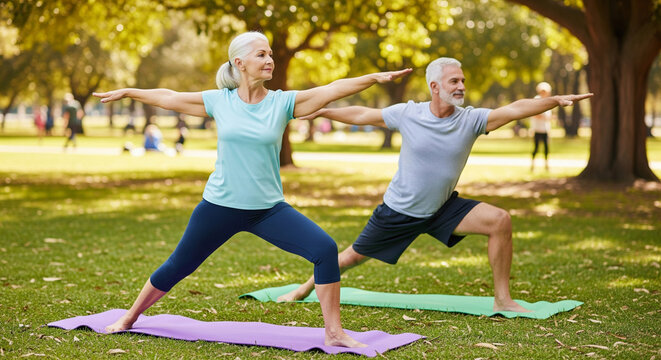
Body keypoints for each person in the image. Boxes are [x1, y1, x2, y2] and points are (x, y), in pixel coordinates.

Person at [93, 31, 411, 348]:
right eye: (261, 55)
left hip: (267, 210)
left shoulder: (283, 103)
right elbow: (169, 97)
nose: (269, 60)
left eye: (270, 54)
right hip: (219, 207)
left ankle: (334, 332)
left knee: (324, 249)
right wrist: (130, 92)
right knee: (179, 265)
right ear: (239, 63)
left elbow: (331, 90)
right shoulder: (220, 101)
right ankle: (130, 317)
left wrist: (373, 77)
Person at [278, 57, 592, 313]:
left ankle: (503, 299)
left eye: (463, 81)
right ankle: (303, 289)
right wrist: (323, 110)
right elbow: (364, 113)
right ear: (435, 86)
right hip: (399, 211)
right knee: (350, 258)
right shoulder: (408, 113)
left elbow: (513, 109)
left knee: (500, 220)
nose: (461, 86)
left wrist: (553, 101)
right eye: (454, 81)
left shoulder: (471, 119)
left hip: (442, 207)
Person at [530, 82, 553, 171]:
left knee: (546, 148)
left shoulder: (548, 100)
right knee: (536, 148)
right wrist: (544, 117)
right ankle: (532, 165)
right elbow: (535, 114)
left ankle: (546, 166)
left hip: (545, 129)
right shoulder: (537, 99)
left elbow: (548, 117)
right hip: (537, 129)